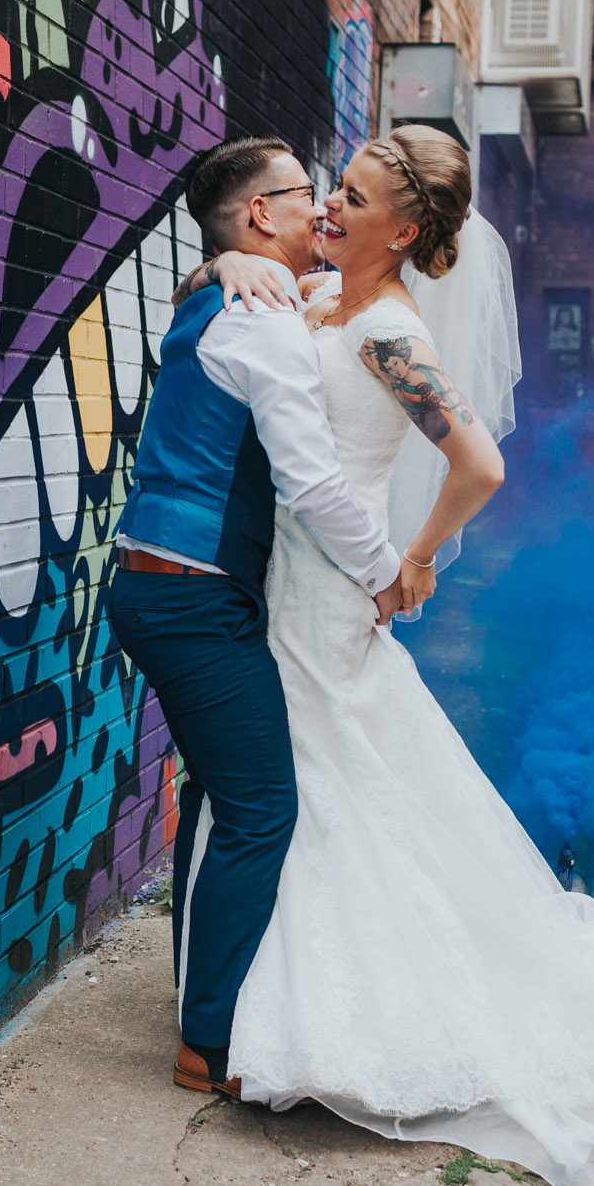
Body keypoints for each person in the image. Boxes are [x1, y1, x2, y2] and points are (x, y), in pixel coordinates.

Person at [169, 125, 594, 1186]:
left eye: (356, 197)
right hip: (279, 588)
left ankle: (312, 1022)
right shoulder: (319, 301)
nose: (331, 207)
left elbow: (479, 459)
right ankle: (244, 1007)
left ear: (409, 230)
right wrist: (229, 258)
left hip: (327, 601)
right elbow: (241, 298)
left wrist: (416, 555)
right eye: (331, 188)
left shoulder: (386, 330)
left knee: (319, 792)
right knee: (305, 792)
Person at [107, 136, 406, 1103]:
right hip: (194, 601)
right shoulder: (264, 318)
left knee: (214, 797)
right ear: (258, 216)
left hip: (167, 591)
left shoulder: (226, 294)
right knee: (261, 806)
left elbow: (316, 293)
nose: (322, 207)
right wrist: (386, 572)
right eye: (304, 194)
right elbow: (310, 478)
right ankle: (210, 1041)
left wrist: (226, 256)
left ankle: (202, 996)